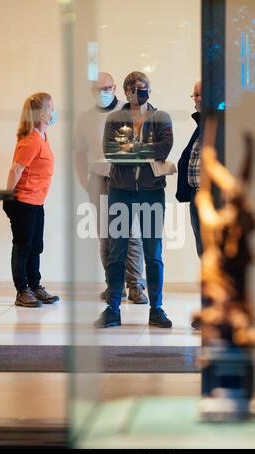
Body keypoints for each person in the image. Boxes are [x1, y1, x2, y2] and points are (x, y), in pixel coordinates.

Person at [94, 71, 173, 328]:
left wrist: (130, 150)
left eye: (145, 87)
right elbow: (111, 153)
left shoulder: (161, 117)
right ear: (127, 92)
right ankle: (113, 308)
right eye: (136, 88)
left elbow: (164, 148)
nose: (141, 91)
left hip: (152, 192)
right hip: (120, 191)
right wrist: (142, 152)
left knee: (153, 253)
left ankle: (157, 309)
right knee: (117, 252)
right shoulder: (115, 118)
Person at [75, 72, 148, 304]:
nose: (102, 93)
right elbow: (79, 152)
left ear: (115, 87)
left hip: (126, 180)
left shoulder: (127, 113)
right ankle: (114, 286)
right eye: (97, 90)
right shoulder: (86, 119)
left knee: (131, 234)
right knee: (106, 237)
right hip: (99, 180)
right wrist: (84, 181)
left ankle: (135, 284)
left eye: (106, 88)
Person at [3, 92, 59, 307]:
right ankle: (22, 290)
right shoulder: (32, 140)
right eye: (51, 108)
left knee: (36, 246)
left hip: (37, 202)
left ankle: (35, 286)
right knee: (22, 246)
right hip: (23, 202)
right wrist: (8, 198)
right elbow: (15, 170)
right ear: (42, 113)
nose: (54, 112)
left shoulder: (43, 137)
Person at [176, 81, 202, 257]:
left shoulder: (226, 122)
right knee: (202, 247)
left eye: (201, 94)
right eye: (195, 94)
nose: (197, 99)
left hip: (213, 196)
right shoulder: (202, 125)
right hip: (196, 194)